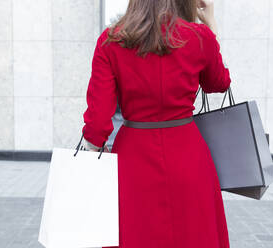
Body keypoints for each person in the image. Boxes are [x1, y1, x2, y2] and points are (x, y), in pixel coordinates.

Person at [80, 0, 231, 247]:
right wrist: (211, 25)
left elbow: (97, 123)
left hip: (132, 159)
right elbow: (219, 83)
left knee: (134, 234)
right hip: (188, 155)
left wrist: (91, 155)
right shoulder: (199, 37)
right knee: (194, 235)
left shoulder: (111, 41)